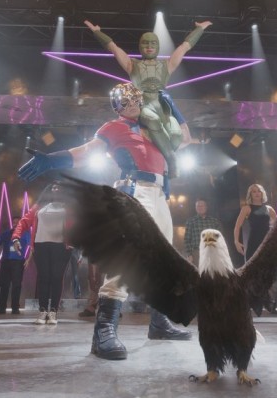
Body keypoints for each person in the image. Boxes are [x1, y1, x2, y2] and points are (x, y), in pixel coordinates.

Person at [17, 82, 192, 360]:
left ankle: (159, 323)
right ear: (117, 106)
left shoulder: (155, 129)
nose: (131, 103)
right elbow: (87, 151)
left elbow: (185, 139)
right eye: (124, 100)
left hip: (160, 194)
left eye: (134, 97)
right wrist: (52, 160)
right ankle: (104, 330)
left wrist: (174, 109)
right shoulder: (114, 127)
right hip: (134, 190)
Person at [84, 19, 213, 178]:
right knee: (152, 120)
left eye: (153, 43)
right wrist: (97, 32)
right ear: (140, 46)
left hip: (162, 107)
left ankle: (161, 159)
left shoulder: (166, 65)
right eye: (145, 43)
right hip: (142, 105)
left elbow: (184, 47)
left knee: (177, 136)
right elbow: (114, 48)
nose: (149, 46)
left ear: (158, 46)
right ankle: (172, 160)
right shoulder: (132, 65)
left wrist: (199, 29)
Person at [12, 182, 73, 325]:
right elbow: (24, 222)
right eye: (53, 187)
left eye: (59, 188)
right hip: (41, 246)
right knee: (43, 278)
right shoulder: (39, 207)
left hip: (61, 247)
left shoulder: (70, 208)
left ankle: (53, 312)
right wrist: (16, 238)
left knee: (56, 278)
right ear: (49, 190)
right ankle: (43, 311)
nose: (56, 189)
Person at [234, 183, 277, 323]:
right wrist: (236, 242)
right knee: (253, 279)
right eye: (254, 191)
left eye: (259, 191)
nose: (257, 193)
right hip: (255, 247)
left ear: (262, 193)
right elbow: (237, 227)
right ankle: (259, 304)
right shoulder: (247, 208)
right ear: (250, 194)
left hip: (270, 246)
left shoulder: (269, 209)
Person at [0, 217, 30, 315]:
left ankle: (15, 308)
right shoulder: (6, 233)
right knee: (4, 285)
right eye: (14, 222)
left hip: (18, 262)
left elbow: (32, 246)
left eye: (18, 222)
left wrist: (28, 259)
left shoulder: (25, 234)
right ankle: (1, 307)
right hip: (6, 261)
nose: (15, 224)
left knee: (16, 285)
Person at [183, 198, 223, 266]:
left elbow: (220, 238)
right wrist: (189, 254)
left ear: (206, 207)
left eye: (202, 206)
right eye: (198, 206)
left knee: (212, 272)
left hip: (212, 252)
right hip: (196, 253)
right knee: (197, 272)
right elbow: (187, 240)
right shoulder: (191, 221)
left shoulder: (214, 221)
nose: (200, 207)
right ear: (195, 208)